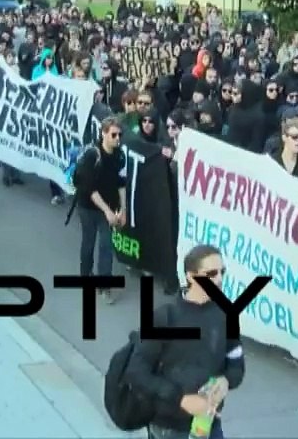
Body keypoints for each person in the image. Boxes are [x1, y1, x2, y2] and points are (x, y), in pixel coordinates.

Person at [125, 243, 246, 439]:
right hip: (169, 428)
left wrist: (225, 381)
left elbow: (236, 366)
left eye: (222, 272)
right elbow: (137, 372)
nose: (219, 279)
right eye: (211, 273)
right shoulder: (165, 317)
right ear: (191, 275)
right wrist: (181, 399)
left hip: (208, 425)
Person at [70, 115, 126, 303]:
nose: (117, 139)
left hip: (107, 207)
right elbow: (89, 189)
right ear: (103, 134)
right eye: (113, 135)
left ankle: (104, 286)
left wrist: (122, 210)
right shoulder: (92, 155)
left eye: (120, 135)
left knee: (106, 245)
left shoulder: (119, 155)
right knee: (89, 242)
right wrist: (107, 211)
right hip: (88, 206)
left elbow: (121, 184)